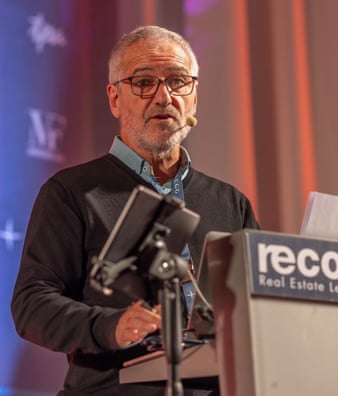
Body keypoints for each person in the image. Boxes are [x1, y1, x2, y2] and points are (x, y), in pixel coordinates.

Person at [11, 25, 259, 395]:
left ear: (194, 97)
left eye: (178, 81)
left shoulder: (230, 202)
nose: (164, 96)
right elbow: (32, 304)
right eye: (144, 82)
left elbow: (256, 309)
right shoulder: (72, 192)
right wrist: (109, 325)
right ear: (114, 99)